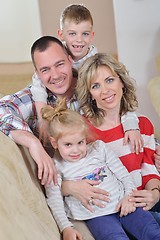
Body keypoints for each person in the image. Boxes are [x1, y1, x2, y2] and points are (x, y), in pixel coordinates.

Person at [61, 53, 160, 230]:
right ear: (90, 94)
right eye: (96, 86)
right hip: (110, 209)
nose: (105, 91)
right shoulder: (82, 131)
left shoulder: (142, 124)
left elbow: (148, 168)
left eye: (109, 80)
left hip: (141, 200)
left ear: (121, 81)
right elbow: (64, 170)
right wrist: (68, 187)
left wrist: (154, 194)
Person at [42, 98, 160, 240]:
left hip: (124, 202)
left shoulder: (99, 148)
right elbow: (54, 199)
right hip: (97, 216)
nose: (76, 150)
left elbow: (123, 175)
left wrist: (129, 196)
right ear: (54, 143)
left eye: (80, 142)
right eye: (68, 144)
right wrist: (66, 227)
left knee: (152, 232)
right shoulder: (55, 166)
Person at [30, 4, 140, 147]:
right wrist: (42, 112)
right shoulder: (55, 56)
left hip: (98, 119)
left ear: (92, 35)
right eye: (72, 34)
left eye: (85, 34)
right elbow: (37, 81)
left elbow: (123, 94)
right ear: (61, 34)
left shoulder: (96, 64)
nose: (79, 40)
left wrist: (131, 125)